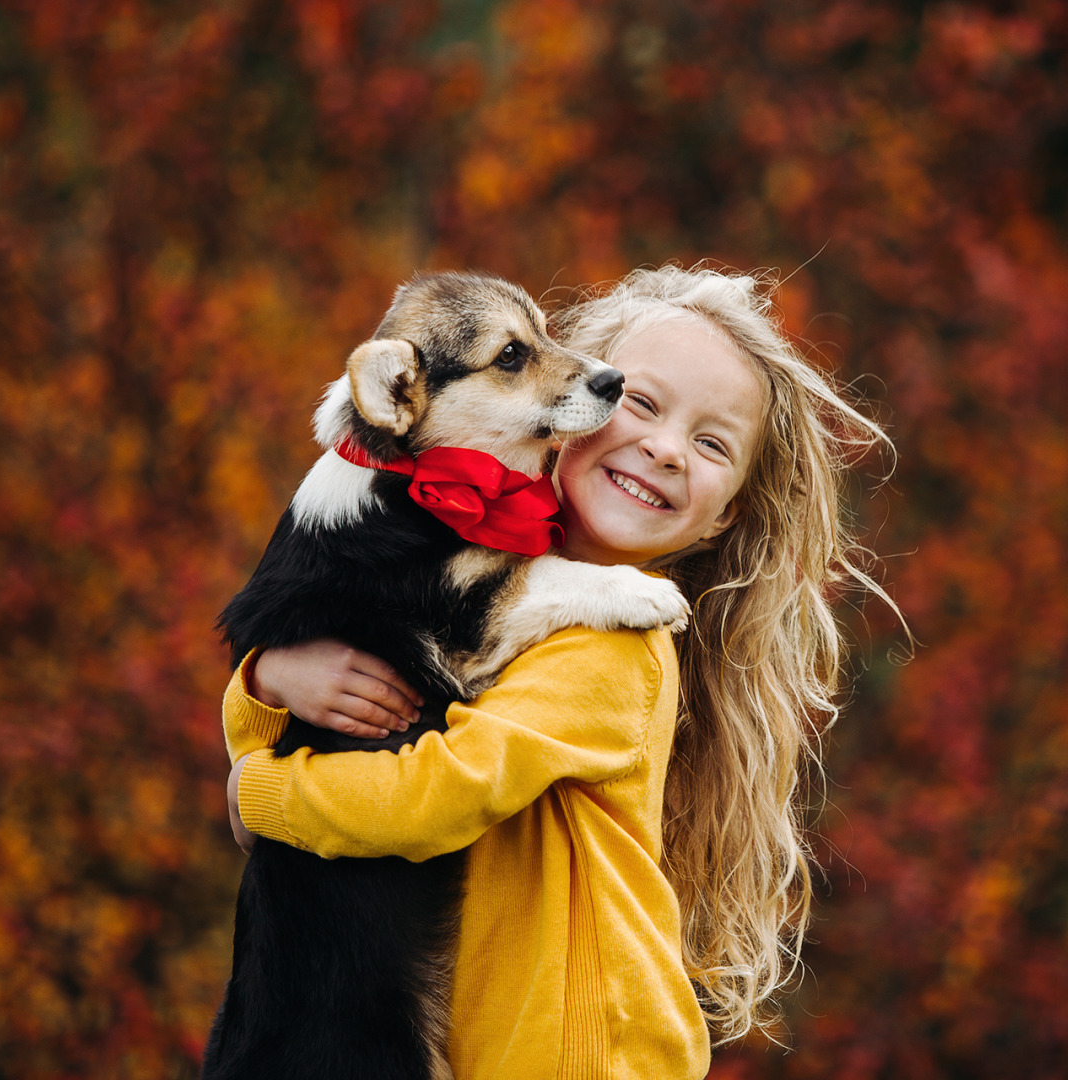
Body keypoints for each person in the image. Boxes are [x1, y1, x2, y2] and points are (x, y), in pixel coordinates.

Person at [222, 264, 899, 1079]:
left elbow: (438, 787)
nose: (664, 448)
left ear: (725, 517)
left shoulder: (612, 641)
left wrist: (259, 795)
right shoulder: (492, 588)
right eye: (643, 404)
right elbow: (376, 689)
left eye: (711, 443)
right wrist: (266, 685)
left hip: (580, 1055)